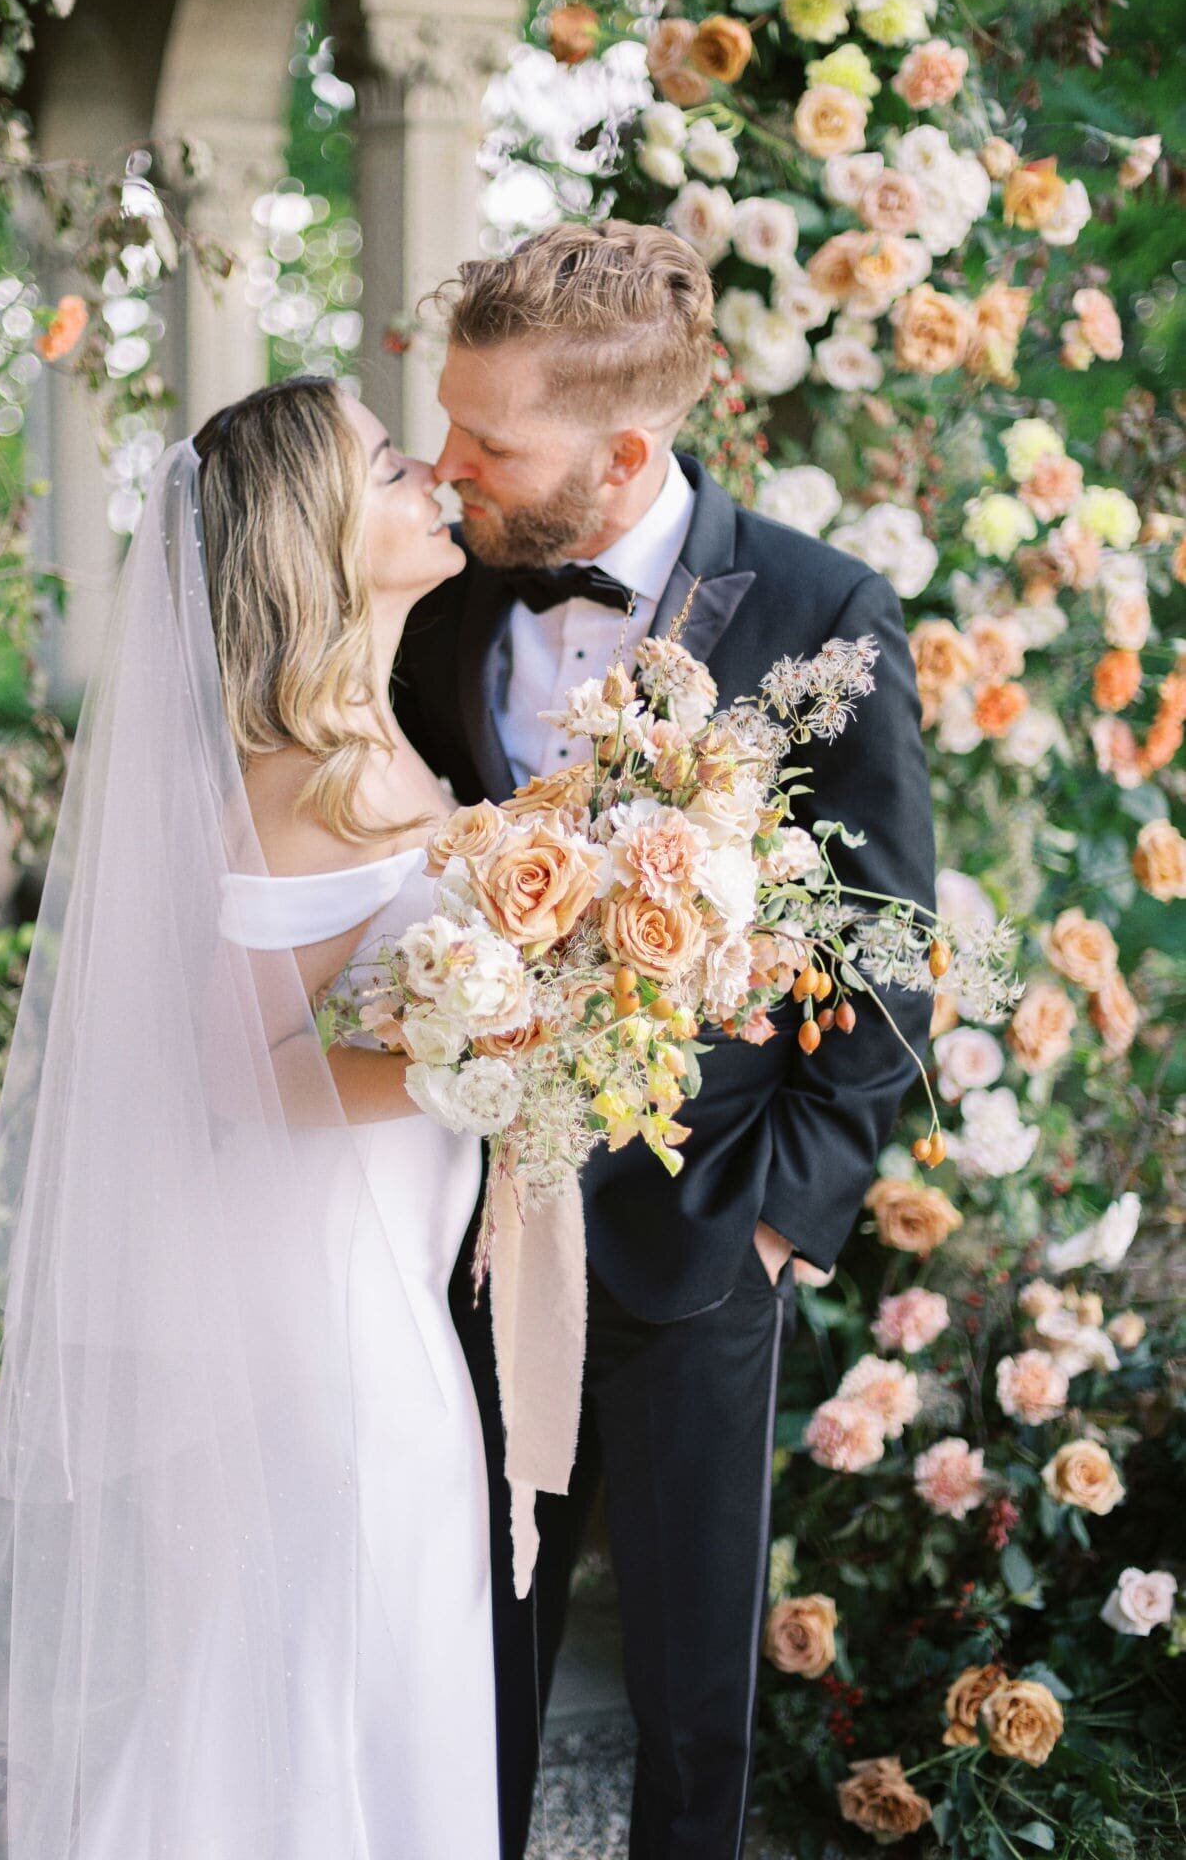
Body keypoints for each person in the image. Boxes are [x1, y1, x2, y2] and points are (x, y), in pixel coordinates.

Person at [0, 378, 500, 1859]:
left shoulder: (370, 741)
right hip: (324, 1306)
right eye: (387, 464)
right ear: (314, 534)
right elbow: (255, 1078)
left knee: (335, 1651)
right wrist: (502, 1040)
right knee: (312, 1664)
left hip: (381, 1274)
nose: (429, 474)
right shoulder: (307, 776)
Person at [393, 219, 937, 1860]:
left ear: (628, 452)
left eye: (491, 444)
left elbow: (889, 945)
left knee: (695, 1699)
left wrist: (780, 1219)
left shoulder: (826, 610)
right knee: (467, 1642)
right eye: (449, 423)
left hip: (701, 1235)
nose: (448, 469)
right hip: (461, 1218)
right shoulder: (435, 600)